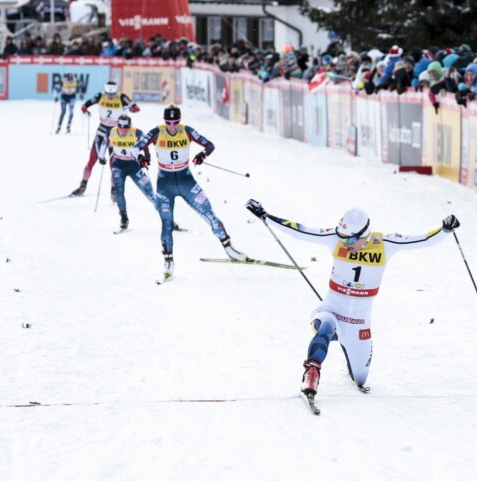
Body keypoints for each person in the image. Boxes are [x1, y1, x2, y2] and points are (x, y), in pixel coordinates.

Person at [244, 200, 460, 399]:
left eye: (349, 239)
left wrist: (445, 229)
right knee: (325, 326)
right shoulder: (335, 238)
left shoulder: (386, 243)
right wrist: (266, 215)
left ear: (364, 233)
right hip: (331, 309)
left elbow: (424, 240)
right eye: (341, 236)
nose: (344, 242)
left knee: (360, 379)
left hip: (359, 323)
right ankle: (312, 372)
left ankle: (347, 348)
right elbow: (300, 231)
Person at [135, 105, 248, 279]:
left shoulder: (186, 131)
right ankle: (168, 261)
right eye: (168, 122)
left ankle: (229, 248)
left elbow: (210, 145)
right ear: (164, 121)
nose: (172, 126)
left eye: (175, 122)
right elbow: (135, 148)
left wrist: (202, 155)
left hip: (186, 181)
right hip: (165, 184)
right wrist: (141, 158)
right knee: (166, 223)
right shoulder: (157, 132)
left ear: (179, 121)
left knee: (209, 213)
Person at [70, 80, 139, 197]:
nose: (110, 96)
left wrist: (129, 109)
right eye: (108, 94)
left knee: (113, 166)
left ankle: (114, 191)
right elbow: (84, 106)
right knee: (91, 161)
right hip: (102, 132)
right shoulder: (100, 95)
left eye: (112, 94)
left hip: (115, 134)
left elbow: (136, 108)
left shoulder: (122, 97)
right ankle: (83, 186)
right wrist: (85, 110)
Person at [107, 114, 154, 230]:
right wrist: (102, 157)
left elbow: (146, 144)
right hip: (118, 165)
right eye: (121, 128)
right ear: (117, 126)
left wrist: (147, 156)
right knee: (119, 190)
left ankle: (166, 217)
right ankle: (123, 217)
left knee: (149, 191)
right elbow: (107, 144)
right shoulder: (112, 132)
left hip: (134, 165)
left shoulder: (137, 132)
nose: (124, 131)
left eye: (126, 128)